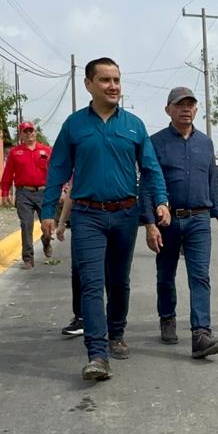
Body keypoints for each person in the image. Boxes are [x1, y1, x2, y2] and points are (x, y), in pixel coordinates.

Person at [41, 57, 170, 382]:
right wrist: (46, 213)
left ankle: (116, 333)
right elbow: (57, 168)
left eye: (116, 80)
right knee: (91, 283)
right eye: (105, 80)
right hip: (86, 216)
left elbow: (151, 169)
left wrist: (161, 202)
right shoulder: (74, 125)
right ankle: (97, 353)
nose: (113, 86)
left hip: (125, 214)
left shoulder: (134, 125)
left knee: (118, 281)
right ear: (89, 84)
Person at [145, 86, 218, 359]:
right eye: (180, 104)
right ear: (168, 110)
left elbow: (212, 181)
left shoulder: (205, 143)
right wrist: (150, 222)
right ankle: (167, 317)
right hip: (167, 221)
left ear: (196, 109)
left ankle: (201, 333)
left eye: (190, 104)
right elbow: (148, 185)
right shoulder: (155, 142)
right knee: (166, 275)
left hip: (198, 220)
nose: (186, 109)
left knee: (200, 276)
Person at [0, 121, 53, 269]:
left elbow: (55, 171)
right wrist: (5, 193)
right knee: (26, 224)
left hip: (44, 192)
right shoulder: (15, 153)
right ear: (21, 135)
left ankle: (46, 241)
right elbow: (8, 174)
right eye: (26, 132)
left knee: (48, 225)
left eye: (31, 131)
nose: (29, 134)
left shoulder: (46, 151)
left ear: (35, 133)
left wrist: (61, 188)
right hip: (24, 193)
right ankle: (28, 259)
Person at [54, 182, 83, 336]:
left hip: (116, 216)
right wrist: (62, 222)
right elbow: (72, 190)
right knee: (79, 270)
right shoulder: (81, 160)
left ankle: (114, 321)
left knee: (113, 274)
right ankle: (81, 317)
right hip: (83, 220)